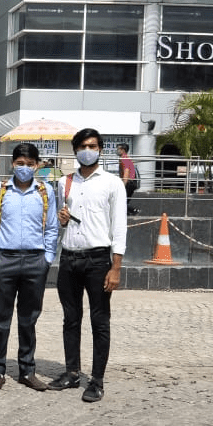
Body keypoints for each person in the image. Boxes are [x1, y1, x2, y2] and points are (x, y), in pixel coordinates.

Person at [50, 128, 127, 403]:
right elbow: (61, 221)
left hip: (98, 259)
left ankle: (97, 379)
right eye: (82, 145)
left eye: (92, 145)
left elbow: (119, 227)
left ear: (100, 150)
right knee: (70, 318)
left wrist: (115, 267)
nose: (87, 149)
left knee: (99, 320)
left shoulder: (112, 183)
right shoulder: (65, 182)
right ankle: (72, 372)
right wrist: (61, 219)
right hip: (69, 256)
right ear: (75, 151)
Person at [0, 143, 59, 392]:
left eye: (29, 163)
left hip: (36, 261)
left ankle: (27, 370)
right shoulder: (0, 189)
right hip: (5, 258)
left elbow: (53, 227)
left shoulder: (45, 191)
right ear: (12, 163)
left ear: (36, 165)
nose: (24, 167)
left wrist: (47, 258)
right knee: (1, 319)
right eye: (20, 163)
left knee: (29, 319)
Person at [116, 143, 139, 215]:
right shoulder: (126, 158)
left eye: (118, 149)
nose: (117, 151)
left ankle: (134, 211)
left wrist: (123, 184)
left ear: (123, 150)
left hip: (129, 182)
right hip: (131, 182)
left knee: (122, 200)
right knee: (124, 200)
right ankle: (130, 212)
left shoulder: (124, 159)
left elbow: (126, 172)